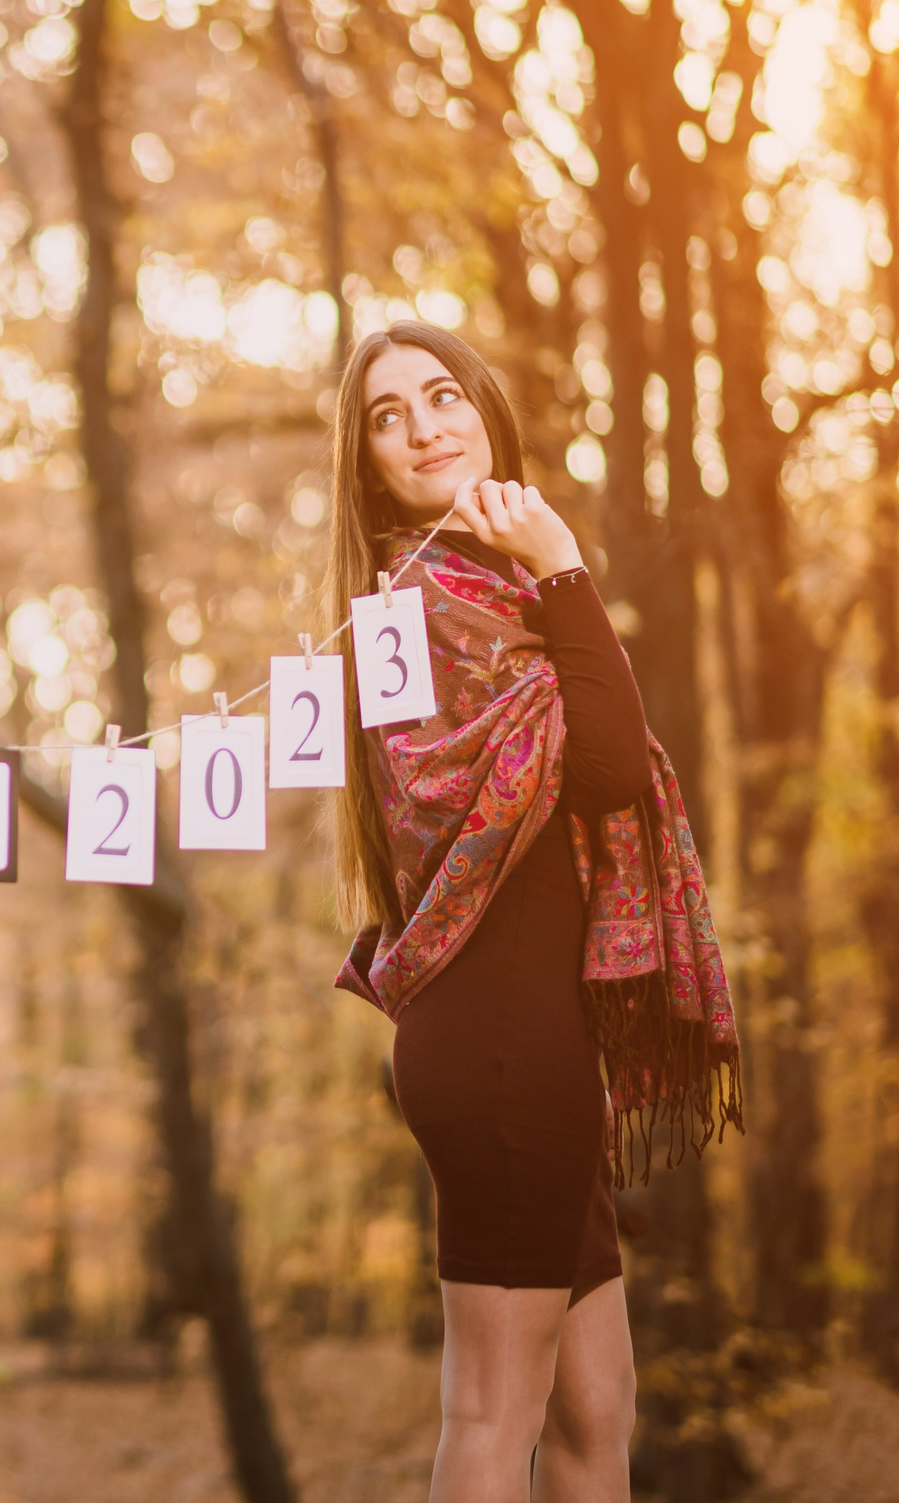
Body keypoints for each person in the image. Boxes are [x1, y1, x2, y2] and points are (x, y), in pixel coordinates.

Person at [324, 322, 741, 1503]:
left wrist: (547, 577)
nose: (424, 428)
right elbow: (605, 764)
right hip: (498, 1042)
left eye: (442, 396)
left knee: (597, 1406)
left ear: (486, 413)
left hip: (542, 1045)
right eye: (388, 417)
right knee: (490, 1410)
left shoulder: (488, 589)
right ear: (367, 465)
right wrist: (563, 562)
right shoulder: (422, 609)